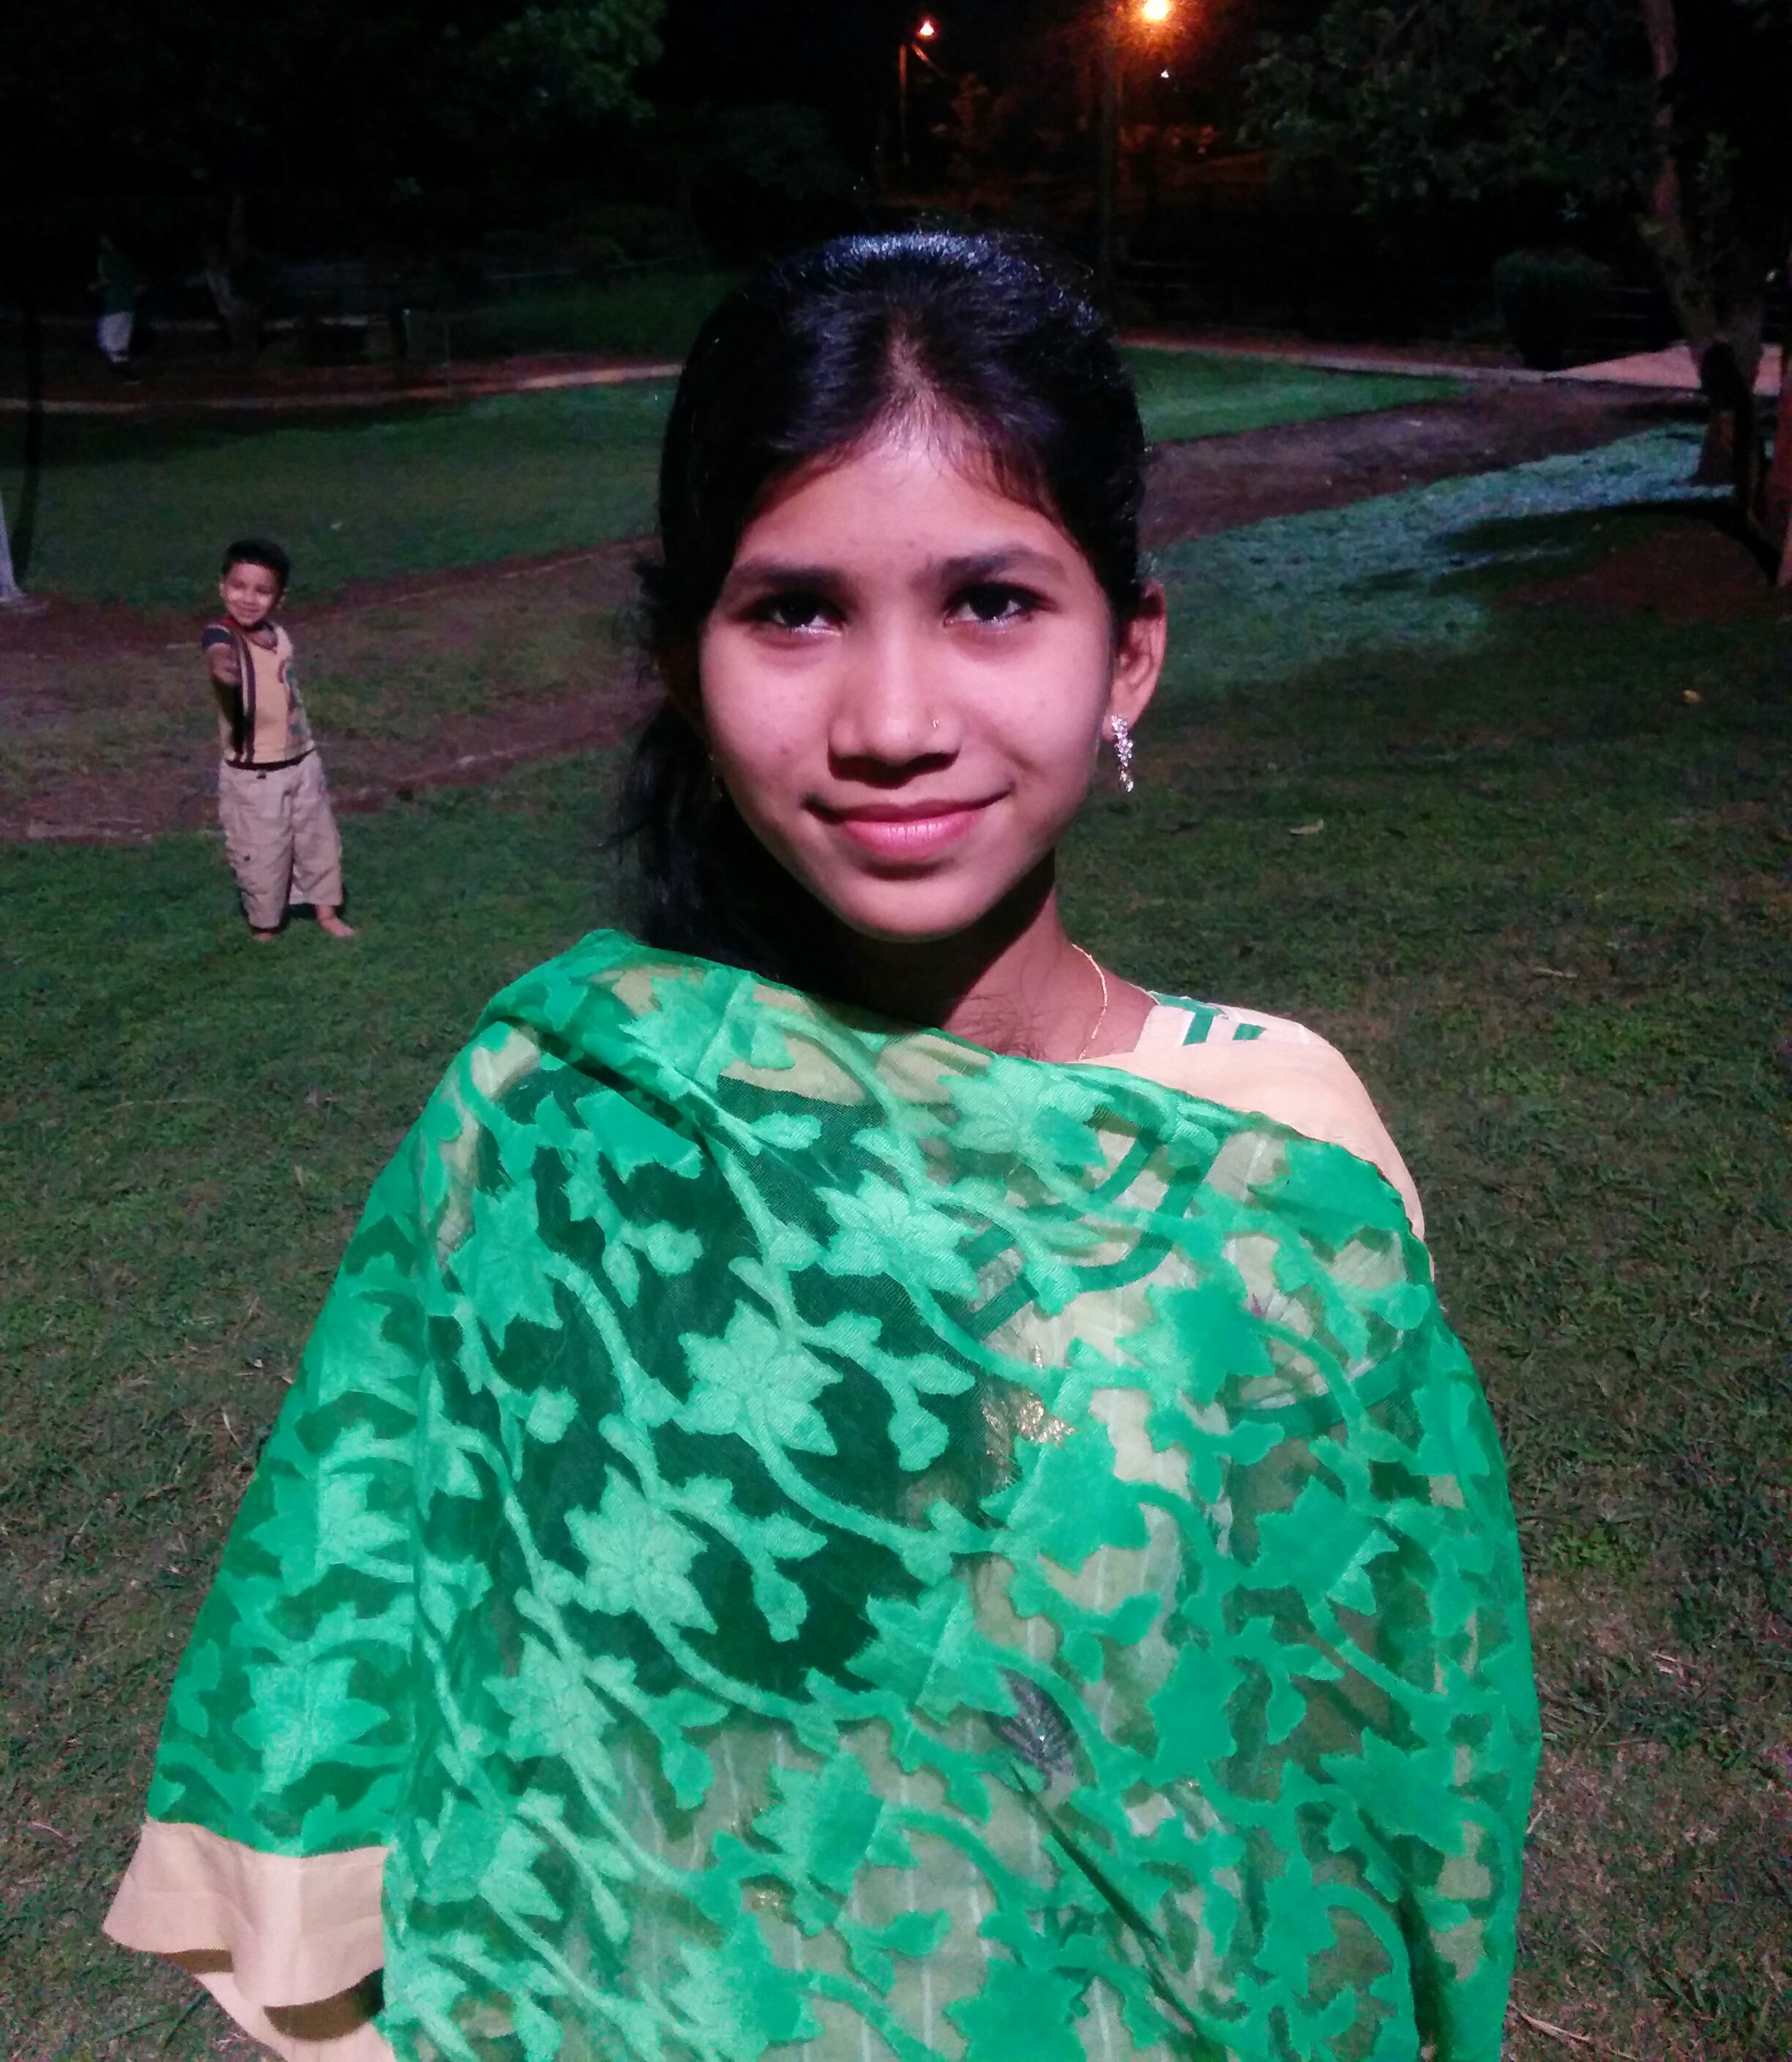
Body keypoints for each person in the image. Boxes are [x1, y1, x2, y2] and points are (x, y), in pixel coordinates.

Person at [107, 235, 1536, 2061]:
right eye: (793, 611)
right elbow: (352, 1671)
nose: (891, 724)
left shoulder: (1283, 1168)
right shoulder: (562, 1112)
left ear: (1129, 655)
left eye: (993, 602)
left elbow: (1373, 1755)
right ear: (681, 660)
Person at [202, 537, 354, 942]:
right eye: (239, 586)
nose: (249, 598)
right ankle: (265, 926)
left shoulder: (278, 634)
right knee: (263, 853)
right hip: (255, 776)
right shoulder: (223, 635)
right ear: (222, 587)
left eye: (262, 590)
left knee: (318, 840)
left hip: (303, 760)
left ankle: (326, 912)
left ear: (279, 597)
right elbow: (215, 647)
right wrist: (220, 665)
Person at [94, 234, 141, 376]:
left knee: (107, 340)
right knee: (120, 341)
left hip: (115, 303)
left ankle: (122, 369)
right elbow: (138, 286)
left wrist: (95, 286)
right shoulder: (128, 259)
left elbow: (104, 279)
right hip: (129, 304)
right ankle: (125, 370)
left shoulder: (105, 258)